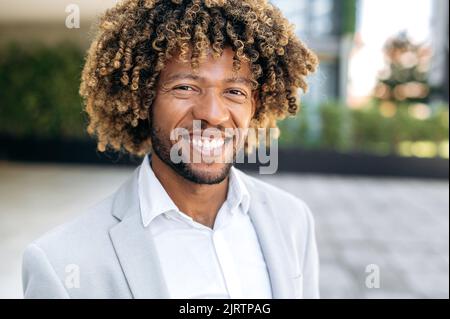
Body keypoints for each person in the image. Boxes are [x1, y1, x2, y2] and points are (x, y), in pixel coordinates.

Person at [22, 0, 319, 299]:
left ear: (253, 105)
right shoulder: (61, 264)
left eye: (234, 92)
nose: (213, 114)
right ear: (143, 98)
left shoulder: (293, 221)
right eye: (185, 87)